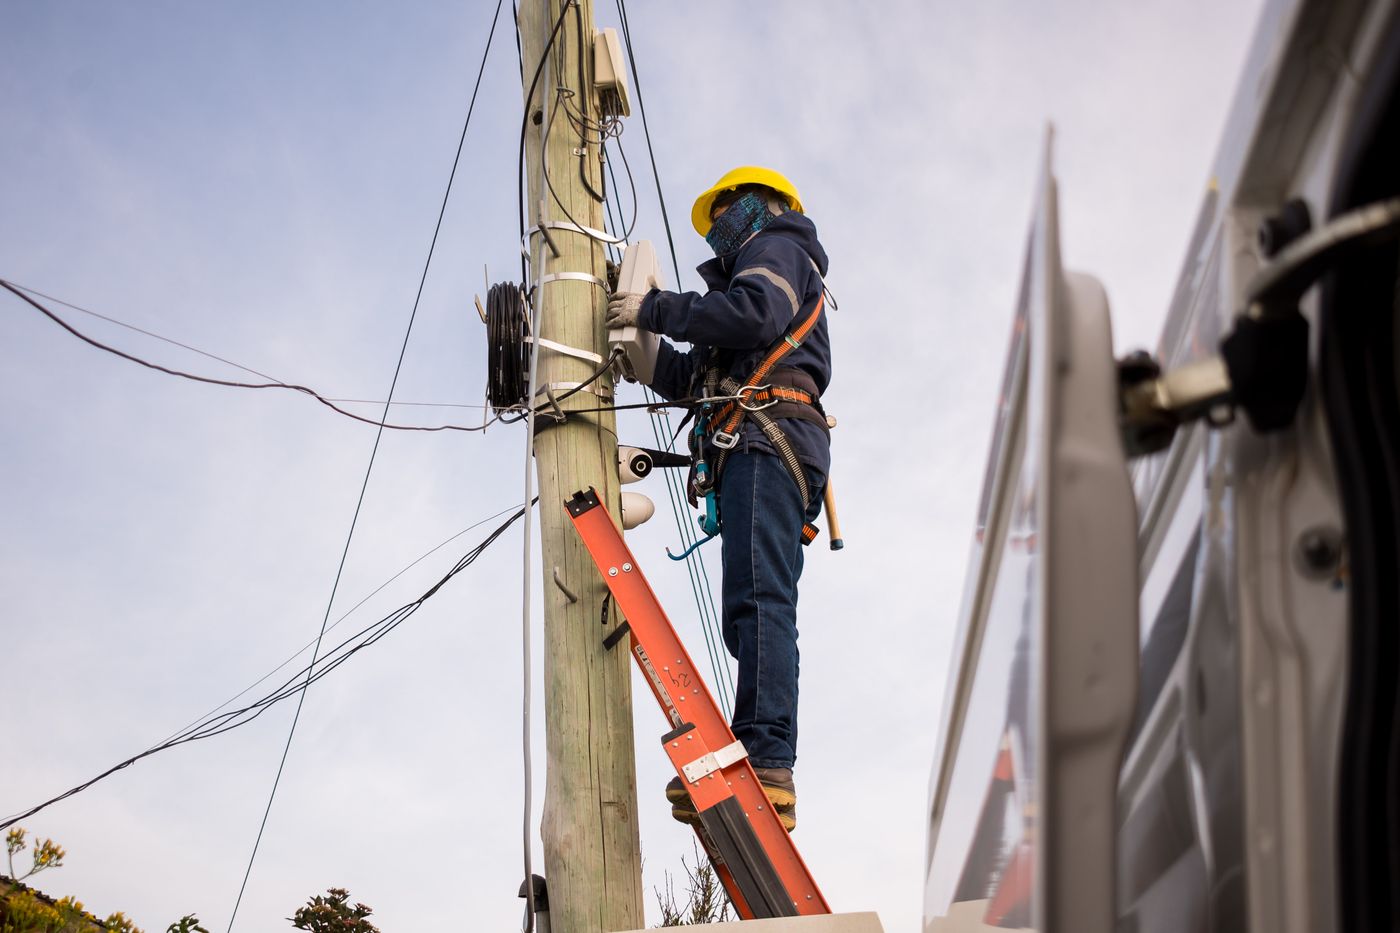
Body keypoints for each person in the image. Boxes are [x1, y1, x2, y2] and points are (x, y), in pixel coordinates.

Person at [605, 166, 832, 831]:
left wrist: (655, 308)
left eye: (725, 211)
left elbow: (754, 312)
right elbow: (694, 375)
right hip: (753, 437)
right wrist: (642, 343)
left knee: (760, 602)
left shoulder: (778, 249)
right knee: (749, 608)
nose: (718, 226)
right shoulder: (743, 284)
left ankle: (767, 761)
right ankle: (757, 752)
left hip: (770, 435)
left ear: (760, 206)